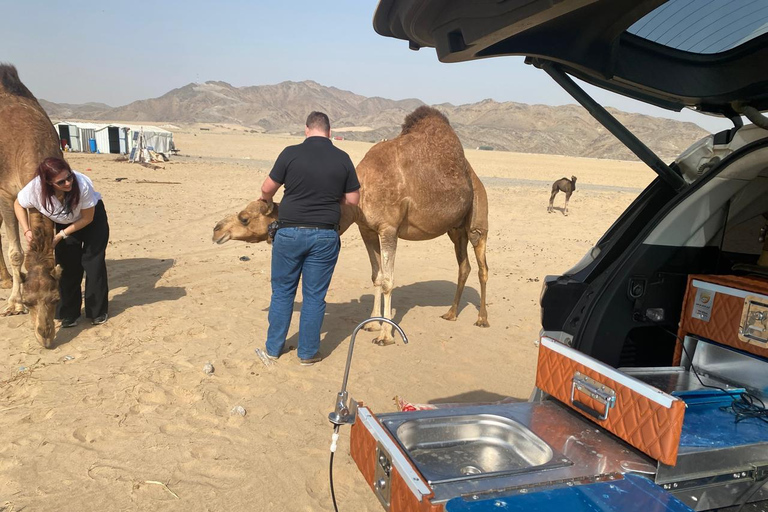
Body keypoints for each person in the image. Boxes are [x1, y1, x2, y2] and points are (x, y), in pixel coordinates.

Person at [261, 111, 360, 366]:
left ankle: (273, 350)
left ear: (306, 130)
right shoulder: (343, 158)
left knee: (283, 292)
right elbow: (353, 200)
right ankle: (307, 354)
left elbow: (266, 189)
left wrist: (268, 201)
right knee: (315, 296)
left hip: (290, 232)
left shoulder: (290, 153)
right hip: (325, 235)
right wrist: (333, 197)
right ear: (329, 131)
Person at [14, 157, 110, 327]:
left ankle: (97, 311)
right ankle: (69, 313)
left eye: (69, 177)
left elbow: (87, 218)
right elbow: (18, 204)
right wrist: (26, 229)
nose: (68, 183)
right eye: (61, 181)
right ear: (48, 182)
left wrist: (60, 235)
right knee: (66, 265)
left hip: (91, 221)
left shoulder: (82, 185)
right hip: (66, 222)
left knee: (92, 263)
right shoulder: (35, 189)